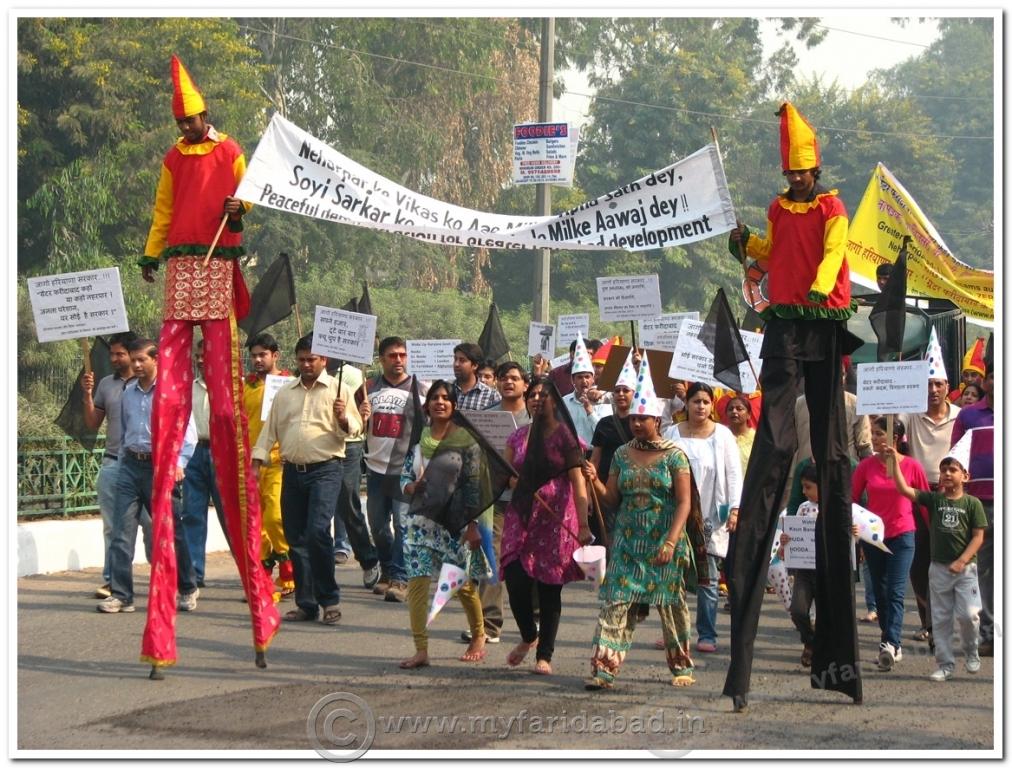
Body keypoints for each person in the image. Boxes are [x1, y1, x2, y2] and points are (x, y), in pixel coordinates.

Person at [139, 55, 279, 671]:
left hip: (218, 264)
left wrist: (238, 212)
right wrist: (151, 252)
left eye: (195, 119)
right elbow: (164, 211)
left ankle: (261, 601)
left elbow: (248, 196)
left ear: (206, 115)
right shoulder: (173, 159)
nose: (191, 129)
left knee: (224, 404)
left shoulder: (230, 150)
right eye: (184, 122)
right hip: (182, 266)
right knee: (172, 398)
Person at [724, 102, 862, 709]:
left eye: (803, 174)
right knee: (777, 442)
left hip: (823, 318)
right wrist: (743, 245)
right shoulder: (779, 208)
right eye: (792, 175)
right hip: (783, 320)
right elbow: (772, 248)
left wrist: (815, 284)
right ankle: (740, 668)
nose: (797, 182)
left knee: (831, 452)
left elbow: (833, 254)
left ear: (816, 170)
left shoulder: (833, 206)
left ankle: (840, 666)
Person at [582, 356, 697, 689]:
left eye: (642, 419)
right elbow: (612, 500)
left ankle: (681, 667)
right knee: (615, 602)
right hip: (628, 543)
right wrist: (595, 480)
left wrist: (672, 542)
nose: (635, 424)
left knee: (671, 605)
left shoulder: (675, 455)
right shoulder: (620, 454)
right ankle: (603, 671)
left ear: (656, 420)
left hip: (665, 540)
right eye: (633, 418)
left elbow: (684, 502)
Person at [252, 335, 362, 626]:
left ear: (324, 360)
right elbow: (269, 432)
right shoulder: (285, 393)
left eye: (312, 359)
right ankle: (306, 603)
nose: (306, 364)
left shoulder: (340, 391)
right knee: (296, 538)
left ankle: (330, 600)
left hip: (326, 469)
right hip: (292, 471)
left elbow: (354, 429)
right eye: (301, 359)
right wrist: (256, 462)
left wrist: (342, 418)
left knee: (317, 532)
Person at [98, 339, 198, 615]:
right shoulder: (127, 393)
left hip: (162, 467)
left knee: (172, 532)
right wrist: (122, 463)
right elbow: (126, 432)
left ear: (157, 360)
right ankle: (122, 595)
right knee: (121, 532)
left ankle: (187, 587)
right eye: (134, 359)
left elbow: (188, 433)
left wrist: (179, 463)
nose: (137, 365)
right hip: (130, 466)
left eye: (142, 359)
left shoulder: (172, 392)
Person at [500, 378, 592, 675]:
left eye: (544, 394)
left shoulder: (566, 437)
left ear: (555, 401)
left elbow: (578, 481)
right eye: (533, 395)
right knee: (515, 580)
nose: (537, 399)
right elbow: (507, 476)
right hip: (522, 516)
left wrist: (584, 525)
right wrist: (519, 481)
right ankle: (529, 636)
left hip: (556, 519)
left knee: (550, 587)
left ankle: (544, 655)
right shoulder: (517, 438)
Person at [398, 381, 490, 669]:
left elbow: (474, 487)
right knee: (417, 584)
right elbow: (402, 480)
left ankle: (479, 635)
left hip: (454, 525)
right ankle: (421, 649)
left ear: (453, 406)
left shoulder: (466, 443)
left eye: (446, 398)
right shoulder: (417, 443)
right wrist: (411, 487)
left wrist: (473, 526)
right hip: (419, 525)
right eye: (435, 398)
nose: (440, 402)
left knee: (461, 585)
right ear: (427, 406)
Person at [885, 444, 987, 681]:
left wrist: (962, 561)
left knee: (969, 615)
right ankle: (945, 664)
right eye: (944, 470)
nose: (947, 474)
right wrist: (895, 462)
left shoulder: (972, 504)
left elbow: (978, 536)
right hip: (939, 569)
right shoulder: (934, 499)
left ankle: (971, 650)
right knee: (940, 619)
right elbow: (904, 489)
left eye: (953, 469)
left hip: (966, 570)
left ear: (965, 475)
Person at [663, 382, 742, 653]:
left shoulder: (722, 435)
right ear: (687, 404)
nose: (700, 406)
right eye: (696, 401)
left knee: (708, 577)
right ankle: (674, 632)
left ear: (711, 405)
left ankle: (707, 634)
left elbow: (733, 474)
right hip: (676, 514)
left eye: (706, 402)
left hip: (709, 515)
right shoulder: (673, 433)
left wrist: (735, 508)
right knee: (673, 575)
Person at [851, 417, 929, 671]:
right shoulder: (865, 466)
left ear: (895, 437)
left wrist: (934, 532)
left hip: (903, 534)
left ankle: (890, 643)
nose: (874, 438)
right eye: (872, 434)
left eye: (879, 434)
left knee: (896, 591)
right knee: (881, 592)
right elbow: (851, 499)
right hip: (874, 537)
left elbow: (925, 502)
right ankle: (891, 641)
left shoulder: (913, 467)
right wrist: (854, 525)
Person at [461, 361, 531, 646]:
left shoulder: (535, 419)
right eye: (503, 378)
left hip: (530, 501)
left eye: (514, 378)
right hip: (496, 500)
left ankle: (535, 617)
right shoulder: (485, 418)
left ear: (525, 384)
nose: (508, 382)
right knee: (492, 558)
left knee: (529, 560)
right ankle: (490, 624)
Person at [898, 337, 961, 646]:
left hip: (951, 494)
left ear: (947, 386)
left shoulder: (960, 415)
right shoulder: (909, 414)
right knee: (919, 560)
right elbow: (886, 419)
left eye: (938, 384)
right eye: (927, 384)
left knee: (952, 560)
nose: (932, 389)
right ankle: (928, 623)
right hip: (917, 495)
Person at [80, 331, 148, 599]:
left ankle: (163, 577)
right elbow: (92, 423)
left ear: (133, 355)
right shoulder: (106, 384)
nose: (114, 358)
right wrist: (87, 395)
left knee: (152, 524)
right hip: (112, 464)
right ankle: (112, 581)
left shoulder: (149, 385)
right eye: (112, 354)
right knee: (113, 526)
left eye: (120, 354)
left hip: (145, 466)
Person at [365, 337, 430, 603]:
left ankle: (401, 579)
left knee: (403, 525)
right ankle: (388, 571)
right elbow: (355, 428)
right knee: (379, 527)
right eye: (392, 355)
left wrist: (424, 466)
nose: (399, 360)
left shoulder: (421, 389)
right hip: (374, 468)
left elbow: (429, 431)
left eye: (402, 355)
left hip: (405, 470)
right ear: (381, 359)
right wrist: (358, 415)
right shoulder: (367, 388)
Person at [242, 333, 295, 599]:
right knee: (255, 523)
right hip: (251, 463)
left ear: (276, 355)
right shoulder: (245, 387)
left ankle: (289, 571)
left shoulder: (289, 385)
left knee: (275, 517)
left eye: (263, 354)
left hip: (278, 461)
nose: (257, 360)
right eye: (254, 355)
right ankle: (262, 578)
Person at [179, 339, 231, 590]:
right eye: (197, 355)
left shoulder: (232, 386)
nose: (200, 360)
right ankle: (193, 575)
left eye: (205, 355)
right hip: (194, 453)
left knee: (231, 516)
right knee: (191, 514)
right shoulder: (188, 388)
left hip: (223, 453)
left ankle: (250, 573)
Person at [950, 365, 995, 656]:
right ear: (986, 380)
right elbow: (955, 457)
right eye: (994, 375)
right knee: (986, 571)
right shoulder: (967, 416)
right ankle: (990, 633)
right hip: (979, 502)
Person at [588, 349, 637, 547]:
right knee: (610, 540)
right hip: (607, 491)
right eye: (617, 391)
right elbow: (595, 461)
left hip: (635, 490)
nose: (621, 394)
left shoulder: (643, 424)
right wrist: (590, 495)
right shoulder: (604, 424)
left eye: (626, 390)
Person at [562, 334, 612, 447]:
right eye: (579, 377)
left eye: (587, 377)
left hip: (595, 455)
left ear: (593, 378)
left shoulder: (603, 401)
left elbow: (605, 434)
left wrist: (590, 412)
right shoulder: (564, 402)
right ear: (572, 380)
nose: (584, 381)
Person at [452, 342, 500, 411]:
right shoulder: (446, 391)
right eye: (455, 359)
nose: (456, 364)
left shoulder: (492, 396)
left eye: (462, 360)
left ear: (475, 365)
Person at [722, 395, 756, 472]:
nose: (734, 411)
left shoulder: (756, 438)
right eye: (730, 409)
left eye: (739, 409)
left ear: (749, 415)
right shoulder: (720, 435)